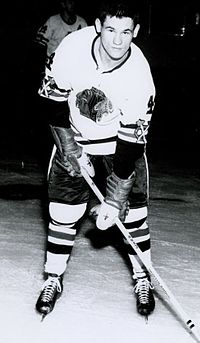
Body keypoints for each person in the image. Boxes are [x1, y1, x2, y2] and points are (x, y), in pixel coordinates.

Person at [35, 0, 156, 318]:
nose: (118, 40)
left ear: (136, 33)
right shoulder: (71, 49)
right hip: (75, 138)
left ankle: (143, 279)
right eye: (111, 30)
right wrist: (70, 148)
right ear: (98, 27)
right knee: (63, 212)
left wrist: (115, 199)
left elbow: (131, 146)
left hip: (119, 145)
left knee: (132, 218)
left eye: (126, 32)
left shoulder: (139, 77)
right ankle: (54, 278)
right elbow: (52, 101)